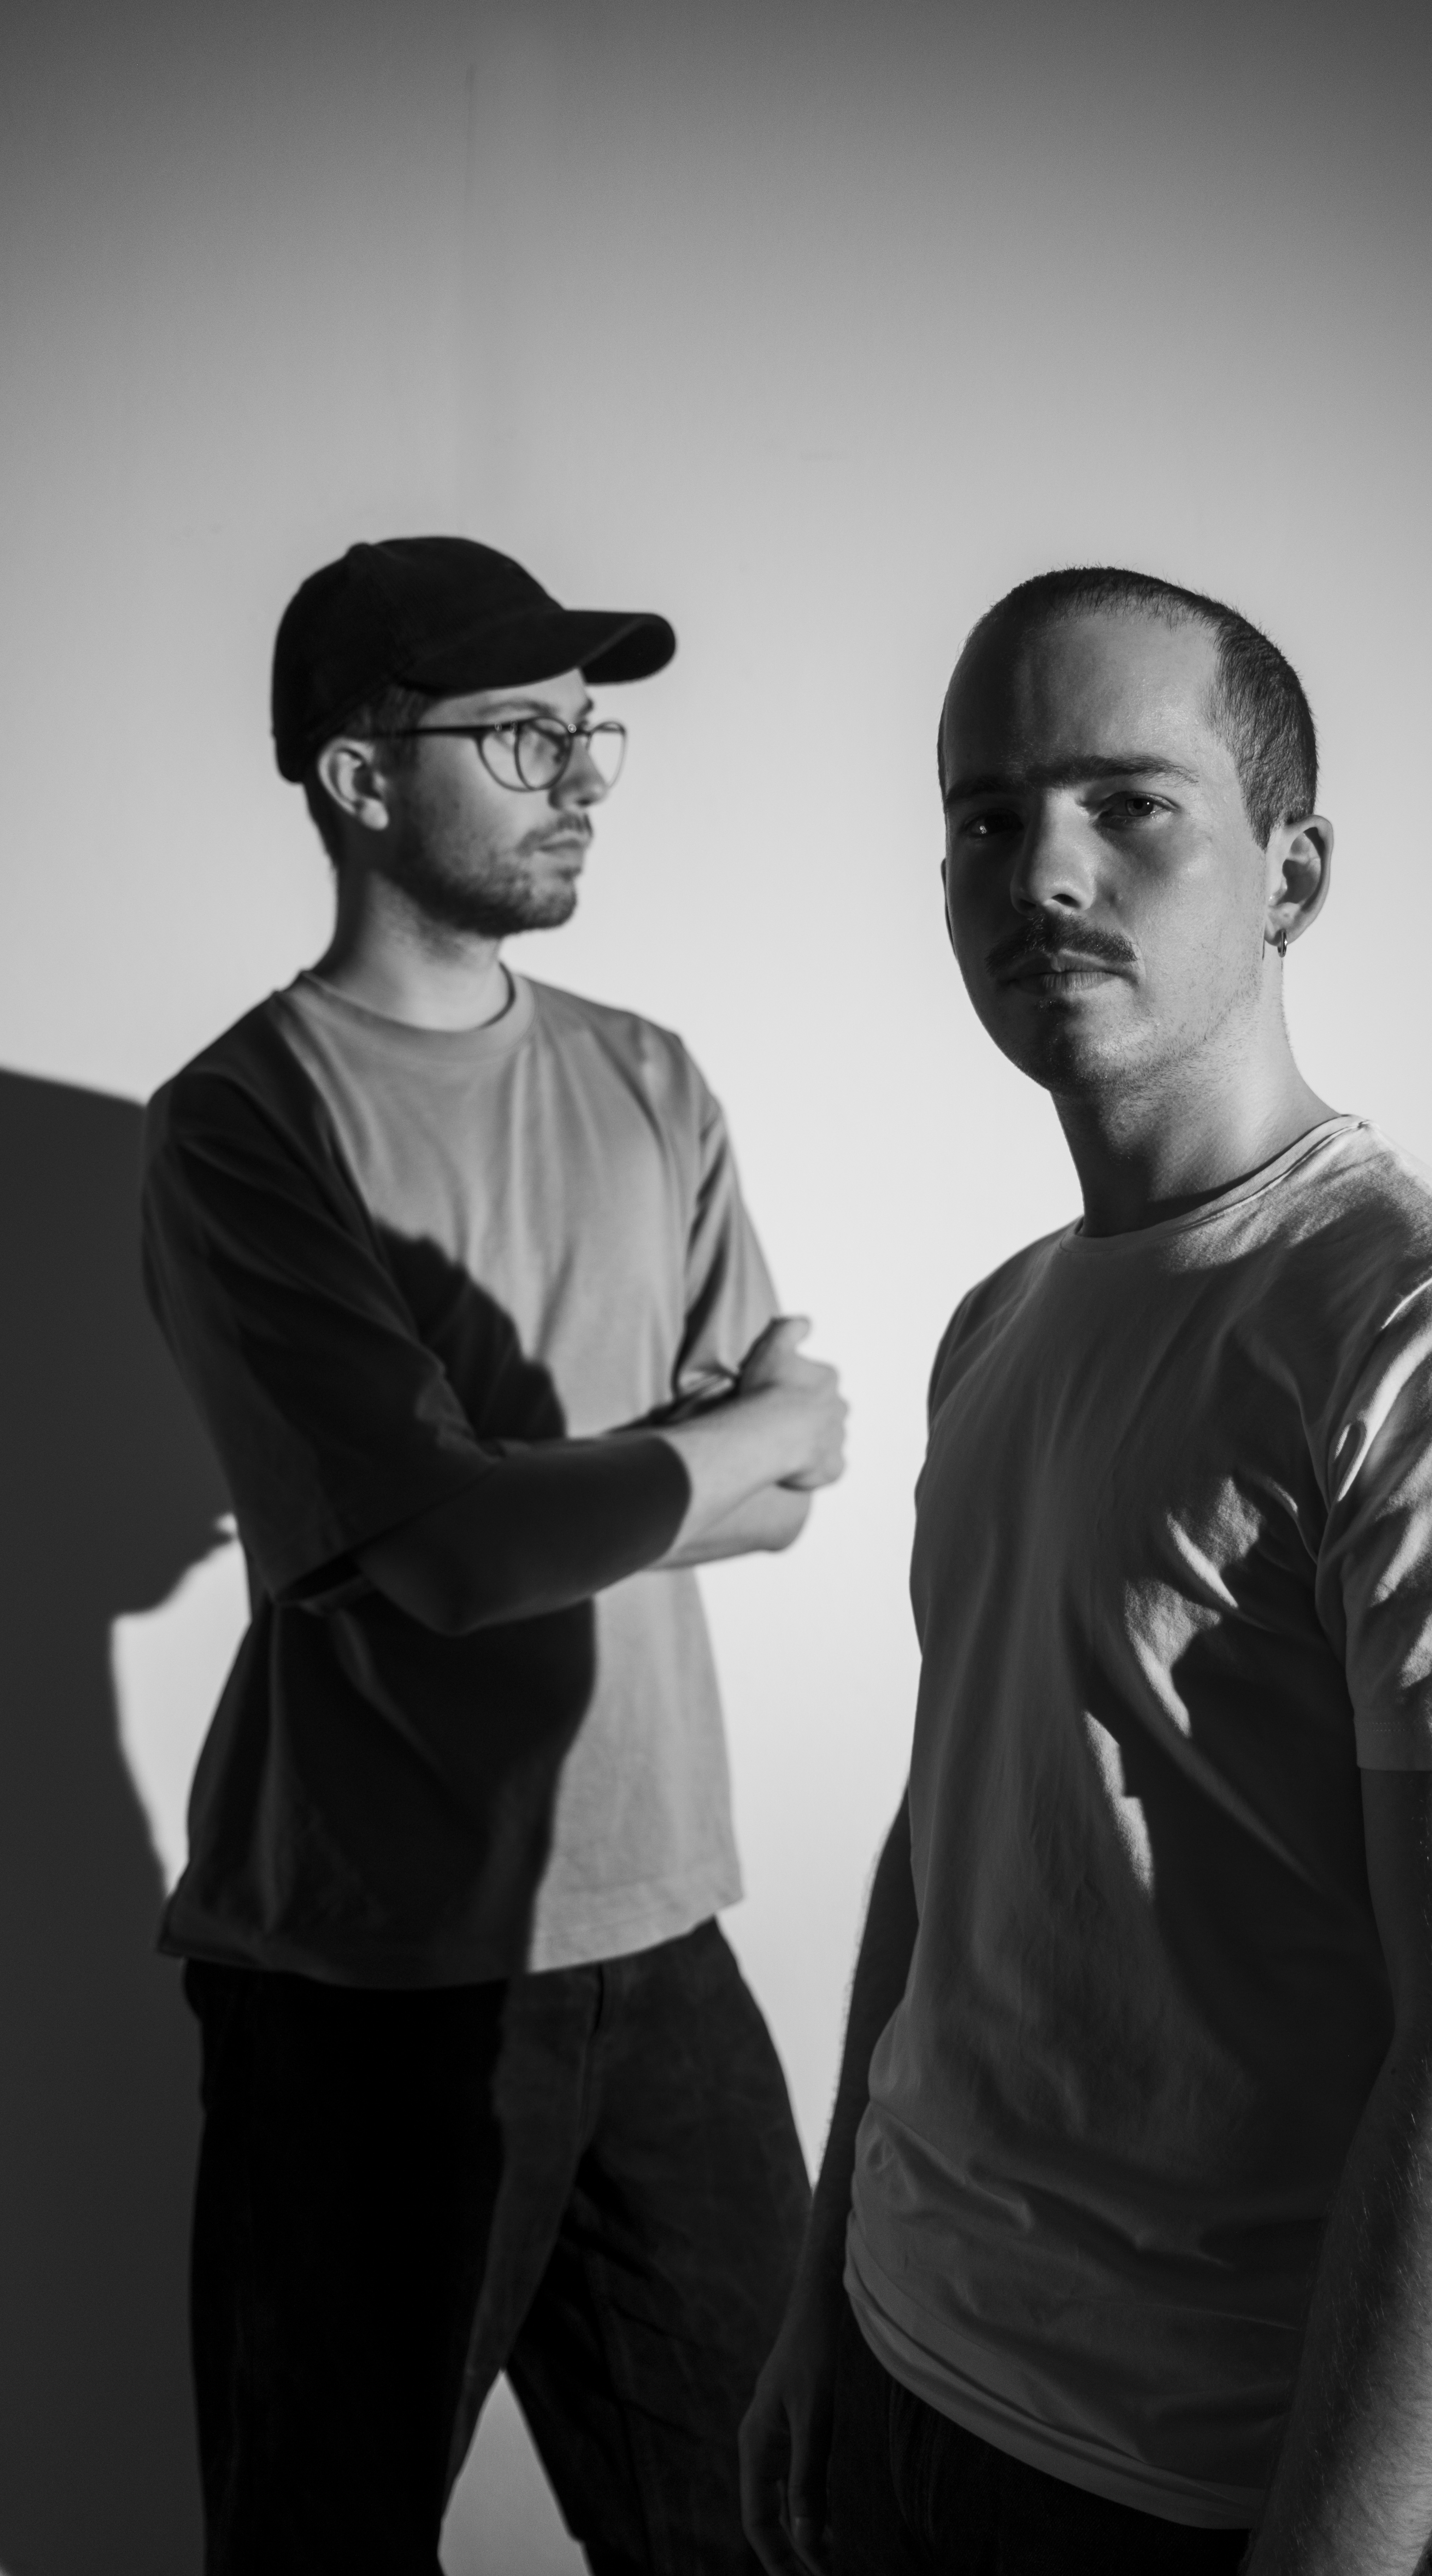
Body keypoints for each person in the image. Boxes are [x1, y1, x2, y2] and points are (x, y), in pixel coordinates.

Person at [739, 568, 1432, 2576]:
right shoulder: (1000, 1324)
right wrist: (819, 2294)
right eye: (987, 817)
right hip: (910, 2373)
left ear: (1291, 873)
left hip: (1229, 2482)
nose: (1042, 871)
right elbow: (949, 1841)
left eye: (1126, 803)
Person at [142, 534, 846, 2576]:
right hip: (370, 1978)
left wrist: (548, 1491)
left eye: (590, 731)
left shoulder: (648, 1076)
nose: (584, 776)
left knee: (772, 2533)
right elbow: (465, 1555)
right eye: (525, 735)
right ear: (362, 780)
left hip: (662, 1944)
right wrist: (713, 1445)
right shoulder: (244, 1124)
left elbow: (785, 1496)